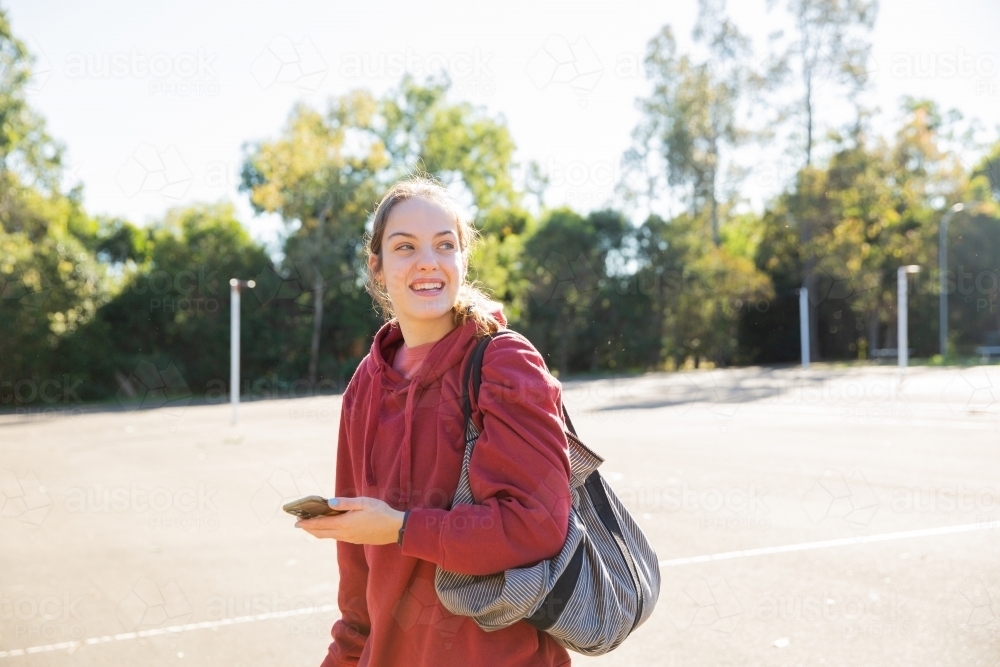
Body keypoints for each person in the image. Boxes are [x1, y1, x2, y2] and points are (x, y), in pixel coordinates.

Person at [295, 176, 574, 667]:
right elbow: (358, 585)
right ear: (377, 268)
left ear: (462, 260)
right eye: (405, 246)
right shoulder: (365, 384)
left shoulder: (505, 363)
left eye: (445, 244)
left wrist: (402, 528)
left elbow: (536, 525)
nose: (429, 260)